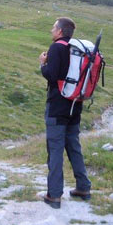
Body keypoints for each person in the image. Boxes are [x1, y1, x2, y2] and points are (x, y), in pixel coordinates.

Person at [38, 17, 91, 209]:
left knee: (55, 149)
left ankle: (54, 195)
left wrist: (43, 63)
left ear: (60, 31)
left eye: (54, 28)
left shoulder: (56, 48)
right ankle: (83, 188)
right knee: (74, 146)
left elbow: (52, 76)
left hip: (57, 106)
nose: (52, 30)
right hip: (75, 105)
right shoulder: (78, 50)